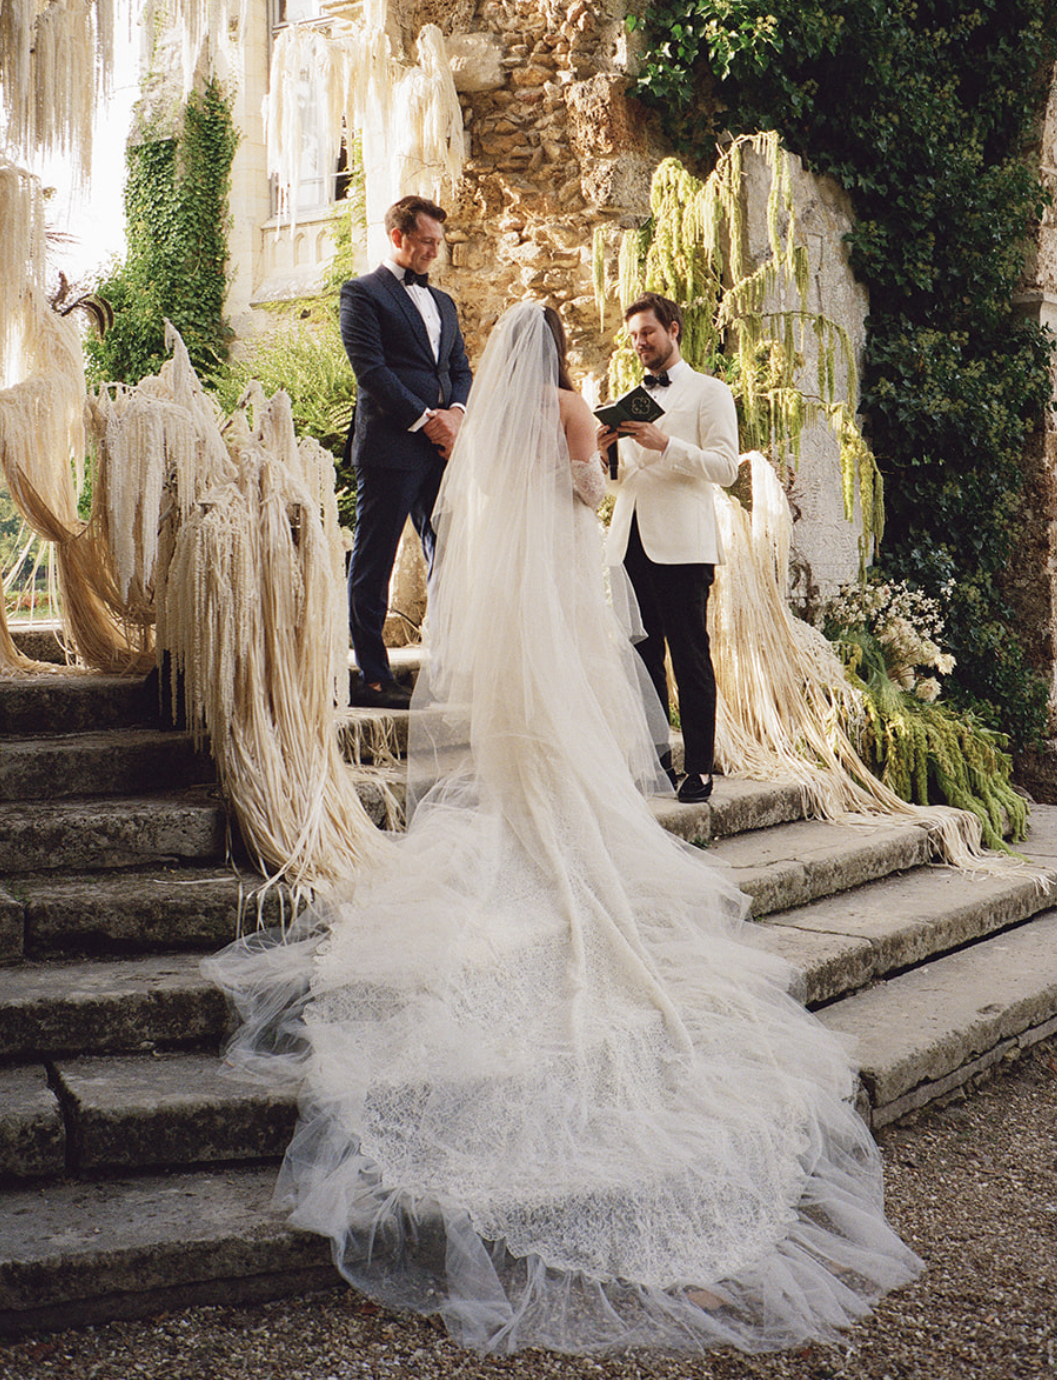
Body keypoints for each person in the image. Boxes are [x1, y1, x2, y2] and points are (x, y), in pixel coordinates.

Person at [207, 301, 919, 1354]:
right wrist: (590, 460)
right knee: (584, 747)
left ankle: (525, 826)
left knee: (514, 751)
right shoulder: (574, 408)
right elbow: (589, 495)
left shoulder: (493, 420)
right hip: (567, 607)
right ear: (564, 356)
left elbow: (469, 507)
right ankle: (567, 833)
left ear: (501, 359)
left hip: (504, 618)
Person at [598, 292, 739, 802]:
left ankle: (699, 767)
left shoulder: (709, 392)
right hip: (629, 540)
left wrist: (665, 444)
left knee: (690, 656)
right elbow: (624, 482)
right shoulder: (630, 395)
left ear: (673, 330)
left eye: (648, 333)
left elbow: (725, 468)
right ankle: (655, 759)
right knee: (642, 658)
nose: (639, 343)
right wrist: (606, 454)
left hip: (683, 546)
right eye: (633, 336)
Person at [339, 195, 472, 709]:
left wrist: (456, 415)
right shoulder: (362, 294)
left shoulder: (444, 304)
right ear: (397, 236)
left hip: (444, 452)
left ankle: (453, 665)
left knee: (452, 556)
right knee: (375, 563)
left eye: (438, 243)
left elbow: (458, 368)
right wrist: (428, 422)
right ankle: (373, 677)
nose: (433, 252)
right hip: (391, 447)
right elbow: (371, 372)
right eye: (426, 242)